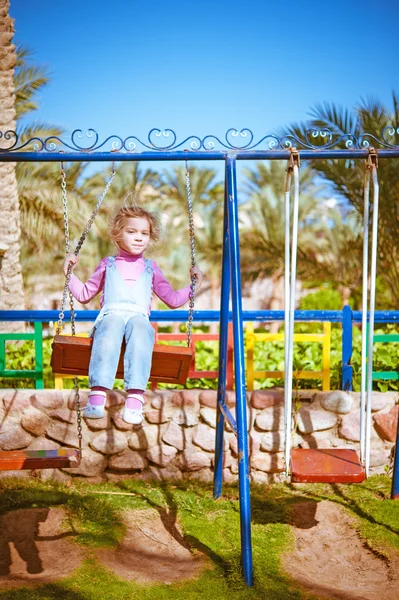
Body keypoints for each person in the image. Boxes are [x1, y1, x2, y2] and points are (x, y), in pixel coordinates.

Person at [64, 205, 203, 425]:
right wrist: (69, 274)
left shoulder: (151, 267)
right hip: (111, 315)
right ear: (118, 234)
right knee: (111, 325)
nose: (139, 238)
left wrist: (194, 285)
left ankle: (135, 401)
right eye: (132, 232)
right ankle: (97, 397)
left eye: (144, 233)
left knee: (140, 327)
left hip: (138, 317)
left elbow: (173, 300)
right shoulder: (107, 265)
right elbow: (83, 294)